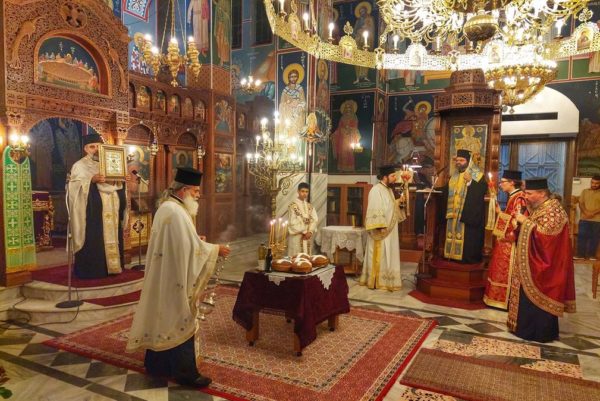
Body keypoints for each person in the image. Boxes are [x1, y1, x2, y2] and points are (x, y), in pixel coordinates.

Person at [127, 167, 231, 387]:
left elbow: (180, 243)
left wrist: (196, 239)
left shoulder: (168, 207)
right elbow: (188, 248)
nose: (198, 195)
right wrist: (215, 249)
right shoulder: (175, 212)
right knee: (180, 316)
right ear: (183, 190)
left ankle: (158, 365)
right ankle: (186, 374)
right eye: (195, 191)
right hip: (174, 278)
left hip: (165, 274)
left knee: (163, 317)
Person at [508, 177, 576, 343]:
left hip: (547, 265)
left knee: (539, 301)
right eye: (525, 192)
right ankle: (525, 329)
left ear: (542, 193)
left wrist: (525, 222)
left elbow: (546, 238)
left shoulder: (554, 210)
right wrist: (521, 223)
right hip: (532, 261)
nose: (525, 196)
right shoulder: (541, 207)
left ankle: (538, 332)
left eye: (529, 193)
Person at [68, 134, 127, 279]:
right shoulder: (79, 165)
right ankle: (94, 270)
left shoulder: (110, 163)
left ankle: (113, 267)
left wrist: (122, 180)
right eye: (92, 147)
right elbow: (73, 188)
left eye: (98, 147)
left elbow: (117, 186)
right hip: (92, 212)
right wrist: (91, 180)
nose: (95, 149)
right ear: (86, 149)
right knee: (95, 239)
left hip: (112, 207)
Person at [484, 170, 527, 309]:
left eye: (503, 182)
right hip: (505, 239)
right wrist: (500, 213)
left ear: (512, 182)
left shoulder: (519, 198)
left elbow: (517, 222)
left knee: (505, 269)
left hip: (510, 242)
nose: (500, 184)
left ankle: (505, 299)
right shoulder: (513, 196)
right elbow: (510, 217)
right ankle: (497, 298)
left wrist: (500, 215)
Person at [359, 165, 405, 290]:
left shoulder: (388, 190)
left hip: (390, 230)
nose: (395, 178)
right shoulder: (376, 190)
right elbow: (375, 208)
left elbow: (390, 208)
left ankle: (388, 280)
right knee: (381, 254)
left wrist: (399, 203)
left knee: (390, 253)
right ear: (385, 177)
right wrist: (379, 226)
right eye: (393, 176)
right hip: (381, 229)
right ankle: (376, 280)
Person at [443, 149, 487, 264]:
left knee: (467, 236)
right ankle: (451, 255)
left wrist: (470, 181)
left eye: (461, 160)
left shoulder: (477, 175)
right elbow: (447, 191)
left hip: (467, 214)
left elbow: (481, 190)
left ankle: (465, 258)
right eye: (457, 160)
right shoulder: (454, 176)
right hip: (454, 214)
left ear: (468, 161)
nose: (458, 162)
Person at [287, 182, 319, 255]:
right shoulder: (293, 206)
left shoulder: (309, 206)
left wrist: (310, 232)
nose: (305, 194)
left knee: (306, 258)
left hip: (307, 237)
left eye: (306, 192)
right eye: (302, 191)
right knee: (296, 258)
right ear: (298, 191)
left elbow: (315, 219)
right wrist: (305, 231)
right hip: (297, 237)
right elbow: (292, 222)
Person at [576, 175, 600, 259]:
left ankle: (591, 255)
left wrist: (592, 213)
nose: (594, 184)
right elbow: (581, 203)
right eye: (592, 182)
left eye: (596, 183)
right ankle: (580, 255)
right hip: (584, 218)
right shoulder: (585, 191)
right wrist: (586, 212)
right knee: (581, 236)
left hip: (597, 220)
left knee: (594, 237)